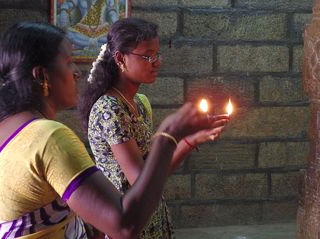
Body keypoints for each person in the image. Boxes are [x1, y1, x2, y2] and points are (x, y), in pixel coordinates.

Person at [0, 21, 228, 239]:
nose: (76, 72)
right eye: (67, 63)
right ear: (42, 76)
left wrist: (185, 141)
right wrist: (168, 135)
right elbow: (124, 225)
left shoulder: (1, 129)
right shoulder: (48, 137)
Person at [78, 17, 229, 238]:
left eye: (157, 54)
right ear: (121, 58)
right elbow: (141, 180)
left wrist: (189, 140)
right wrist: (173, 137)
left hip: (149, 211)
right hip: (128, 218)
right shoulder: (109, 110)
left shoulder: (140, 102)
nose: (157, 62)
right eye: (148, 56)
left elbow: (154, 170)